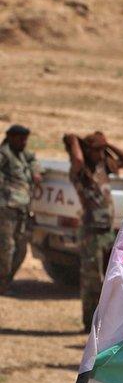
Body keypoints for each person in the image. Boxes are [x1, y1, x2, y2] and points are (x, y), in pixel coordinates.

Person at [64, 131, 123, 332]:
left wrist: (108, 145)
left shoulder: (102, 168)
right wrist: (75, 141)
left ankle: (104, 322)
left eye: (102, 151)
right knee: (92, 280)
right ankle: (88, 324)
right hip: (91, 232)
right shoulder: (81, 173)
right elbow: (78, 159)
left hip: (107, 231)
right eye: (96, 150)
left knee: (110, 278)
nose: (101, 154)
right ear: (88, 151)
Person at [0, 124, 41, 294]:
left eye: (25, 139)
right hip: (6, 209)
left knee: (21, 249)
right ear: (10, 137)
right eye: (21, 138)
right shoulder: (4, 154)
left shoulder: (23, 155)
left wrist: (35, 171)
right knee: (6, 249)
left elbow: (34, 160)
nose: (24, 142)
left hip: (22, 210)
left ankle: (5, 282)